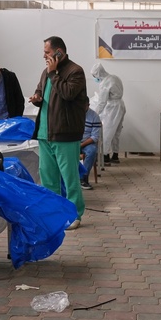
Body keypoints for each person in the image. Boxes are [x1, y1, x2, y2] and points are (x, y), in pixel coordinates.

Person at [29, 36, 87, 230]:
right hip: (45, 133)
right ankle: (54, 214)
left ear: (59, 52)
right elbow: (40, 91)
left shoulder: (75, 71)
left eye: (47, 52)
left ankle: (74, 215)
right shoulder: (46, 72)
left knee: (70, 177)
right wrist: (37, 98)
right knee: (48, 178)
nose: (44, 55)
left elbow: (68, 94)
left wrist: (54, 74)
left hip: (65, 134)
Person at [90, 63, 126, 164]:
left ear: (98, 74)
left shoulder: (105, 83)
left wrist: (94, 114)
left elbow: (102, 102)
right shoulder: (115, 77)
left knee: (106, 132)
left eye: (94, 76)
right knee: (116, 132)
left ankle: (105, 156)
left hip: (113, 108)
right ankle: (115, 155)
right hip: (121, 105)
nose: (95, 78)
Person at [79, 97, 102, 191]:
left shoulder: (94, 116)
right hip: (74, 141)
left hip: (87, 142)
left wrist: (81, 145)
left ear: (88, 105)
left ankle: (83, 178)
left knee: (92, 151)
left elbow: (95, 137)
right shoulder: (74, 114)